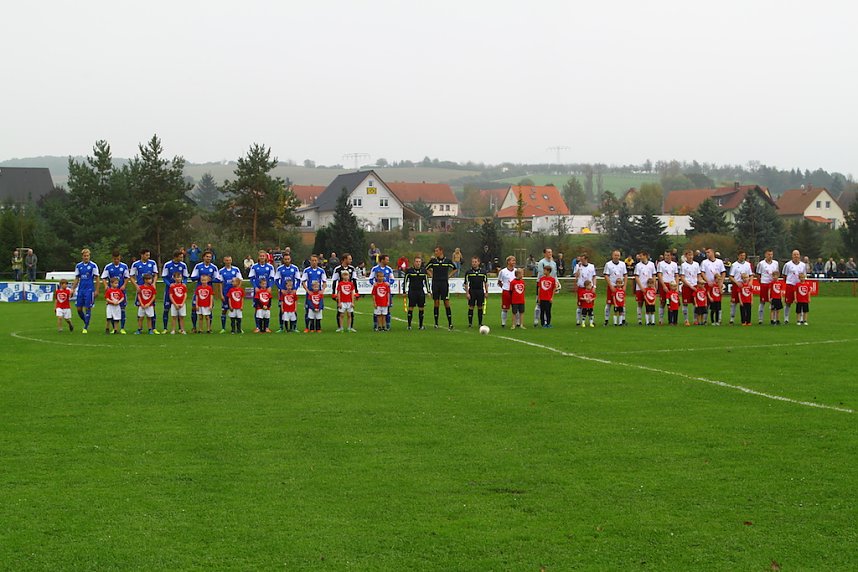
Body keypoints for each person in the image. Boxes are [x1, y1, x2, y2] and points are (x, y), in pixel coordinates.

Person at [189, 251, 221, 333]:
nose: (208, 258)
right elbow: (192, 277)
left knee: (209, 310)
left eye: (210, 257)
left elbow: (218, 279)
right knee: (194, 308)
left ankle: (209, 328)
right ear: (203, 257)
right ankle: (194, 327)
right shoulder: (198, 266)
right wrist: (201, 277)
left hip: (209, 291)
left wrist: (211, 279)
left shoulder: (214, 267)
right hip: (199, 291)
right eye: (207, 256)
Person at [426, 246, 456, 330]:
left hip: (444, 283)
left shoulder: (447, 261)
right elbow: (426, 268)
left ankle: (450, 323)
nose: (435, 253)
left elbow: (455, 268)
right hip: (435, 283)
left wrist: (449, 276)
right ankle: (436, 323)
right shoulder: (433, 261)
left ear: (441, 251)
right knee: (436, 302)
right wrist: (431, 275)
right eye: (435, 251)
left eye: (437, 251)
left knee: (446, 302)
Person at [101, 250, 131, 334]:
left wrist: (124, 285)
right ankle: (114, 328)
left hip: (121, 291)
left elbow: (126, 277)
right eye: (115, 259)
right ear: (112, 258)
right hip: (111, 292)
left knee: (122, 309)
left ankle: (122, 328)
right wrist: (106, 285)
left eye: (118, 259)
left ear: (120, 258)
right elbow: (103, 277)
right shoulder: (108, 267)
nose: (116, 260)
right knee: (111, 310)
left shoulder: (124, 266)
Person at [160, 249, 189, 333]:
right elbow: (164, 277)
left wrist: (183, 283)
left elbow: (186, 277)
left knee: (180, 309)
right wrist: (170, 285)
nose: (182, 258)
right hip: (170, 290)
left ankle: (180, 329)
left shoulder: (183, 265)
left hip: (179, 291)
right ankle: (165, 328)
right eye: (181, 257)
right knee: (166, 309)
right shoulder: (167, 265)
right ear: (176, 257)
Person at [72, 248, 100, 334]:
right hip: (81, 289)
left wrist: (97, 290)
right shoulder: (78, 266)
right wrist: (73, 288)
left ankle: (85, 327)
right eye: (85, 256)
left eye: (87, 256)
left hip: (89, 290)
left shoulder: (93, 266)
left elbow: (97, 278)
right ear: (82, 256)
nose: (86, 257)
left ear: (89, 256)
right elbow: (77, 278)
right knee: (79, 309)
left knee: (88, 307)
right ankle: (86, 321)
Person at [130, 249, 159, 331]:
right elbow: (131, 276)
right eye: (146, 255)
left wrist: (154, 283)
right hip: (141, 290)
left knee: (152, 308)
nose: (148, 257)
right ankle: (140, 328)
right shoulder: (135, 264)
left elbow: (156, 274)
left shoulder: (152, 263)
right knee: (140, 310)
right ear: (142, 255)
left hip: (150, 290)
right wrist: (136, 286)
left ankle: (153, 328)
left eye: (149, 255)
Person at [274, 253, 301, 331]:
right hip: (283, 292)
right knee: (282, 310)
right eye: (285, 259)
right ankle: (281, 327)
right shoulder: (280, 269)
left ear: (290, 259)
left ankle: (294, 327)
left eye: (288, 259)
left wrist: (295, 289)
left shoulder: (295, 268)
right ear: (283, 260)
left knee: (293, 309)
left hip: (292, 292)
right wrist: (281, 289)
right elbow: (276, 280)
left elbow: (298, 279)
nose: (287, 260)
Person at [302, 255, 327, 332]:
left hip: (318, 294)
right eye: (312, 260)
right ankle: (307, 327)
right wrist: (308, 291)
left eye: (315, 260)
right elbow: (303, 281)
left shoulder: (321, 271)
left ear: (318, 261)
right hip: (310, 294)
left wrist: (322, 290)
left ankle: (318, 327)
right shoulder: (307, 270)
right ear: (310, 261)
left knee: (318, 309)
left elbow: (324, 282)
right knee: (308, 310)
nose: (314, 262)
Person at [217, 255, 243, 333]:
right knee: (224, 310)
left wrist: (237, 290)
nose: (228, 262)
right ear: (224, 261)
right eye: (227, 260)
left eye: (229, 260)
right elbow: (220, 283)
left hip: (235, 295)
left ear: (231, 261)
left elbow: (240, 280)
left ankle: (238, 328)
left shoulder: (236, 269)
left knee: (237, 310)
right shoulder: (221, 271)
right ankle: (223, 328)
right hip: (226, 293)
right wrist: (221, 294)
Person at [700, 248, 726, 325]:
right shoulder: (704, 262)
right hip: (708, 285)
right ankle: (705, 320)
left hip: (717, 285)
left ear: (713, 252)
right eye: (706, 252)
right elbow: (702, 272)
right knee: (707, 302)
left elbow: (723, 272)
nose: (707, 254)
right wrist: (707, 281)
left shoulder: (719, 262)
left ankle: (719, 319)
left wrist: (721, 282)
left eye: (708, 252)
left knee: (718, 302)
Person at [403, 256, 429, 330]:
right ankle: (409, 325)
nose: (418, 263)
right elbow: (405, 281)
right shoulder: (409, 271)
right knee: (411, 307)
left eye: (419, 262)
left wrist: (428, 291)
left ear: (421, 263)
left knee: (421, 308)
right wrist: (404, 291)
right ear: (414, 263)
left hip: (420, 291)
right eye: (416, 262)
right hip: (412, 291)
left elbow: (426, 281)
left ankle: (421, 325)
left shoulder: (423, 271)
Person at [755, 249, 779, 325]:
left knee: (774, 302)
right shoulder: (761, 264)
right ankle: (760, 319)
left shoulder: (775, 263)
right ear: (765, 255)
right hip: (764, 284)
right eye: (769, 254)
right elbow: (758, 274)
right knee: (762, 302)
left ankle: (774, 319)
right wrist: (761, 283)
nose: (770, 256)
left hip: (773, 285)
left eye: (771, 254)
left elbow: (777, 273)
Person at [603, 250, 627, 326]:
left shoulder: (623, 264)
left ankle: (623, 320)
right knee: (609, 304)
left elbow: (625, 275)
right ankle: (606, 320)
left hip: (620, 288)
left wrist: (624, 286)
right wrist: (611, 286)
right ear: (612, 256)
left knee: (622, 304)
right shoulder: (608, 264)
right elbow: (606, 275)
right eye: (615, 255)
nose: (616, 257)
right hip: (612, 286)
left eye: (618, 255)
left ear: (620, 256)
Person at [728, 250, 752, 325]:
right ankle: (732, 319)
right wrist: (736, 282)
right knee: (734, 302)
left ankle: (746, 320)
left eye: (744, 255)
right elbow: (731, 277)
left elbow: (751, 275)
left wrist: (750, 282)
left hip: (745, 285)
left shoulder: (748, 264)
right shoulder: (734, 265)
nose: (743, 257)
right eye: (741, 255)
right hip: (737, 285)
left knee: (746, 304)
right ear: (738, 256)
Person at [782, 249, 806, 325]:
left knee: (801, 303)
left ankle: (801, 318)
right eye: (794, 254)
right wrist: (788, 282)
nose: (796, 256)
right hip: (790, 285)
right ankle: (786, 318)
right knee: (788, 302)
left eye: (797, 254)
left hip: (799, 286)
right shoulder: (787, 265)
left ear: (799, 256)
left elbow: (804, 275)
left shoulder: (803, 265)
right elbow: (784, 275)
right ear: (792, 256)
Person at [464, 256, 489, 328]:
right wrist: (467, 293)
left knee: (480, 307)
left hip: (480, 291)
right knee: (471, 306)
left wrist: (486, 292)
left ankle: (480, 323)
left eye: (475, 262)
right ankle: (470, 323)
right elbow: (466, 283)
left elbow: (486, 282)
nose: (474, 263)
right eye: (473, 262)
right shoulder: (468, 272)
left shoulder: (483, 272)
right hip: (472, 291)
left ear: (478, 262)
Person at [679, 250, 701, 326]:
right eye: (688, 255)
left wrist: (699, 284)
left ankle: (695, 320)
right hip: (687, 286)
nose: (690, 256)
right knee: (685, 303)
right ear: (686, 256)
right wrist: (690, 285)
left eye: (691, 255)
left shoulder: (696, 264)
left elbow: (698, 275)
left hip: (695, 286)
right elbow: (682, 277)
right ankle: (686, 320)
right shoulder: (683, 265)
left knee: (695, 303)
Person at [633, 251, 656, 326]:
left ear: (645, 256)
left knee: (650, 304)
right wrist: (641, 287)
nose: (640, 257)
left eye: (641, 256)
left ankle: (650, 320)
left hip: (649, 288)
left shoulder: (651, 264)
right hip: (640, 288)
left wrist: (654, 286)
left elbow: (654, 275)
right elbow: (636, 276)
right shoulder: (638, 265)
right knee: (640, 303)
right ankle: (639, 319)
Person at [573, 253, 595, 326]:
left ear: (586, 259)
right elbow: (576, 276)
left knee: (590, 304)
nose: (581, 261)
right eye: (580, 260)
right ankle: (578, 321)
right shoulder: (577, 266)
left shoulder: (591, 266)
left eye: (582, 259)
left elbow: (594, 277)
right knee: (580, 304)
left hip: (589, 288)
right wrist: (579, 268)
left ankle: (591, 321)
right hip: (581, 287)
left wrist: (594, 286)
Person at [656, 251, 678, 325]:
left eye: (668, 255)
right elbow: (659, 275)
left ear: (671, 256)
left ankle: (672, 320)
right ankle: (660, 319)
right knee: (663, 302)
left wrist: (676, 285)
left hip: (672, 284)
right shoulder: (660, 264)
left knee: (673, 302)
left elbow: (676, 275)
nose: (666, 257)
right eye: (665, 255)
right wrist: (663, 285)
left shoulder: (674, 264)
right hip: (664, 283)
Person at [497, 255, 517, 328]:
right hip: (506, 291)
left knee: (516, 307)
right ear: (508, 262)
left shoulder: (516, 271)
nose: (514, 262)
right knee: (505, 308)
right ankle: (503, 323)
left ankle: (517, 323)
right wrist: (504, 287)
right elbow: (499, 281)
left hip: (515, 292)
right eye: (512, 260)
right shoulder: (503, 271)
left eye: (514, 260)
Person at [537, 264, 557, 328]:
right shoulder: (542, 279)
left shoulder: (552, 279)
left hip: (548, 298)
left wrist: (552, 297)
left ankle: (548, 323)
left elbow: (554, 289)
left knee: (548, 311)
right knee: (542, 311)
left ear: (548, 271)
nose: (544, 271)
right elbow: (539, 288)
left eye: (545, 270)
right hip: (542, 298)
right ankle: (543, 323)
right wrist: (539, 297)